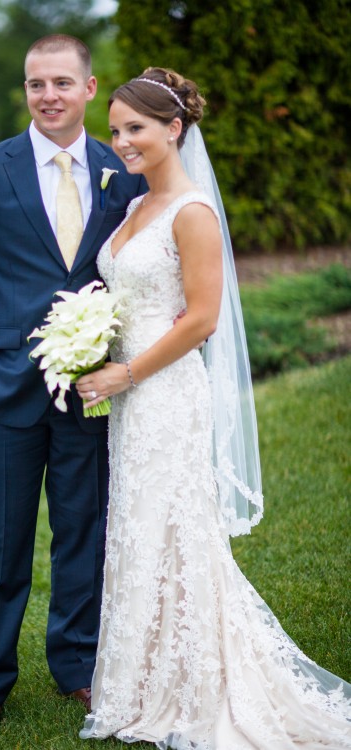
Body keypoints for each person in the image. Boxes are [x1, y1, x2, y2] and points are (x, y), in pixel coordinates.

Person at [76, 68, 351, 748]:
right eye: (114, 131)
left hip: (163, 392)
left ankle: (197, 682)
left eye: (135, 128)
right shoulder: (136, 206)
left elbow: (201, 319)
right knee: (141, 528)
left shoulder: (190, 211)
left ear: (174, 129)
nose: (122, 142)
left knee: (173, 527)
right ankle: (143, 681)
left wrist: (125, 374)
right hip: (130, 392)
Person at [0, 34, 145, 748]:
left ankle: (78, 666)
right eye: (35, 84)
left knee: (83, 534)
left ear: (90, 89)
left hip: (89, 394)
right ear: (25, 92)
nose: (47, 95)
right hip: (1, 392)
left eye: (61, 82)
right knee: (0, 546)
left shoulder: (125, 171)